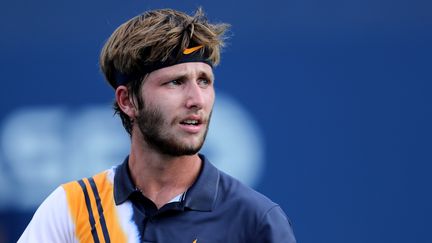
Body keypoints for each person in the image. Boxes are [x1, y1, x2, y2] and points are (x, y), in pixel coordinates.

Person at [18, 8, 296, 243]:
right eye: (175, 82)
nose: (197, 100)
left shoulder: (255, 220)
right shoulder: (70, 208)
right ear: (127, 101)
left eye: (204, 81)